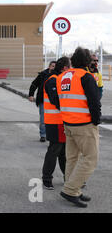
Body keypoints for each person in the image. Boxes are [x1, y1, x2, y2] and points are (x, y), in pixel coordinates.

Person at [56, 47, 101, 208]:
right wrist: (96, 121)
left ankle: (73, 190)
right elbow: (94, 102)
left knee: (72, 158)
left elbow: (57, 99)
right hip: (84, 124)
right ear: (88, 61)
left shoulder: (62, 76)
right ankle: (70, 189)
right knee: (90, 158)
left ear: (73, 61)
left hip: (68, 123)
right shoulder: (86, 77)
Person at [41, 57, 70, 190]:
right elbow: (56, 100)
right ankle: (47, 179)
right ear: (64, 67)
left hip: (61, 120)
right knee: (54, 149)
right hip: (55, 121)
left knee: (63, 151)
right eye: (69, 67)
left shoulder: (58, 79)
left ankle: (68, 178)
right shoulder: (53, 80)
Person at [29, 61, 57, 142]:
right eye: (52, 66)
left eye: (55, 66)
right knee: (43, 119)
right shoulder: (42, 75)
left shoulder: (58, 76)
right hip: (43, 101)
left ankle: (52, 135)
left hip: (53, 101)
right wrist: (31, 95)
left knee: (53, 120)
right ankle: (43, 135)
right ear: (49, 66)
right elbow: (34, 84)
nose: (53, 68)